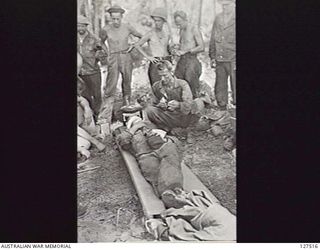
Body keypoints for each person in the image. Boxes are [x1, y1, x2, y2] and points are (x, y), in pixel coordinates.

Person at [99, 5, 143, 107]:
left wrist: (133, 46)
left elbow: (141, 36)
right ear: (110, 18)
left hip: (126, 56)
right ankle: (108, 109)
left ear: (121, 17)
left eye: (118, 19)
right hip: (113, 57)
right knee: (111, 83)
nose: (116, 21)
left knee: (127, 81)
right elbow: (100, 42)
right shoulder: (106, 29)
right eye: (113, 19)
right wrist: (107, 52)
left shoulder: (127, 27)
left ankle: (127, 105)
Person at [144, 61, 199, 132]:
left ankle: (170, 129)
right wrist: (160, 105)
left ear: (171, 72)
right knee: (149, 110)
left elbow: (189, 104)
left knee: (193, 110)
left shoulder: (182, 84)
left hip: (181, 116)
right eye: (160, 76)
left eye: (165, 75)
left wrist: (179, 105)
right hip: (167, 115)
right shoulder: (156, 86)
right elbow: (153, 104)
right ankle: (167, 128)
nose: (163, 79)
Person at [77, 15, 108, 117]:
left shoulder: (94, 39)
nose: (80, 28)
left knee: (97, 96)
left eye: (83, 26)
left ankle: (98, 116)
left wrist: (100, 55)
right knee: (84, 96)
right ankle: (89, 117)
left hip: (93, 72)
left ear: (86, 26)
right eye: (78, 26)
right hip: (80, 73)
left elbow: (103, 52)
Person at [134, 7, 173, 86]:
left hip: (167, 62)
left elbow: (168, 47)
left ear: (163, 21)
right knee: (156, 87)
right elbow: (137, 45)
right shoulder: (150, 33)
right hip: (155, 63)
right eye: (155, 20)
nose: (156, 23)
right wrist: (148, 57)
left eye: (159, 21)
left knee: (169, 87)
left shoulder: (167, 33)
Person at [209, 0, 236, 109]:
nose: (224, 7)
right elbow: (213, 38)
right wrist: (212, 56)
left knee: (235, 85)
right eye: (223, 5)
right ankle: (222, 108)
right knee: (220, 86)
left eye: (227, 5)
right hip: (220, 58)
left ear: (234, 4)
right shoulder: (218, 18)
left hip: (233, 58)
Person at [172, 11, 204, 98]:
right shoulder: (181, 30)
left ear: (185, 20)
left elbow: (201, 47)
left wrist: (186, 51)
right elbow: (182, 45)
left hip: (192, 59)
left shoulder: (194, 28)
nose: (178, 26)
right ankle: (181, 102)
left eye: (180, 23)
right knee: (177, 79)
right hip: (182, 59)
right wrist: (176, 49)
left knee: (190, 78)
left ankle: (195, 100)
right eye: (177, 24)